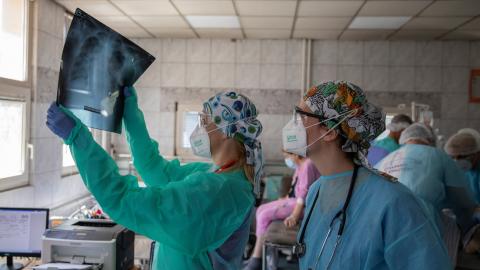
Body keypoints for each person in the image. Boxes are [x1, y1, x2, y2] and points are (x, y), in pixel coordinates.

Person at [46, 87, 264, 270]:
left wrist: (78, 139)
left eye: (205, 121)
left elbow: (123, 200)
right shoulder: (216, 173)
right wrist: (131, 117)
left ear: (226, 130)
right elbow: (156, 170)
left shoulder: (219, 191)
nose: (199, 128)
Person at [283, 81, 451, 269]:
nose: (293, 124)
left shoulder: (394, 202)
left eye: (301, 117)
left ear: (330, 131)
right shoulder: (315, 191)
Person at [376, 123, 480, 256]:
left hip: (381, 228)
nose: (456, 160)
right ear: (430, 140)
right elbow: (463, 203)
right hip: (419, 227)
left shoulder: (385, 160)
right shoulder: (437, 155)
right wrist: (469, 229)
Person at [244, 152, 320, 270]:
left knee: (264, 215)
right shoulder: (300, 167)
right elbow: (295, 190)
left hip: (303, 207)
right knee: (260, 210)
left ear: (295, 154)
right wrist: (283, 200)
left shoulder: (308, 164)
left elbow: (303, 195)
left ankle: (257, 259)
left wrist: (294, 216)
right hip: (292, 201)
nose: (287, 159)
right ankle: (265, 259)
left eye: (287, 156)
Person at [444, 130, 480, 204]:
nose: (456, 161)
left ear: (476, 153)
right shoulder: (463, 171)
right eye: (452, 157)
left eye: (461, 156)